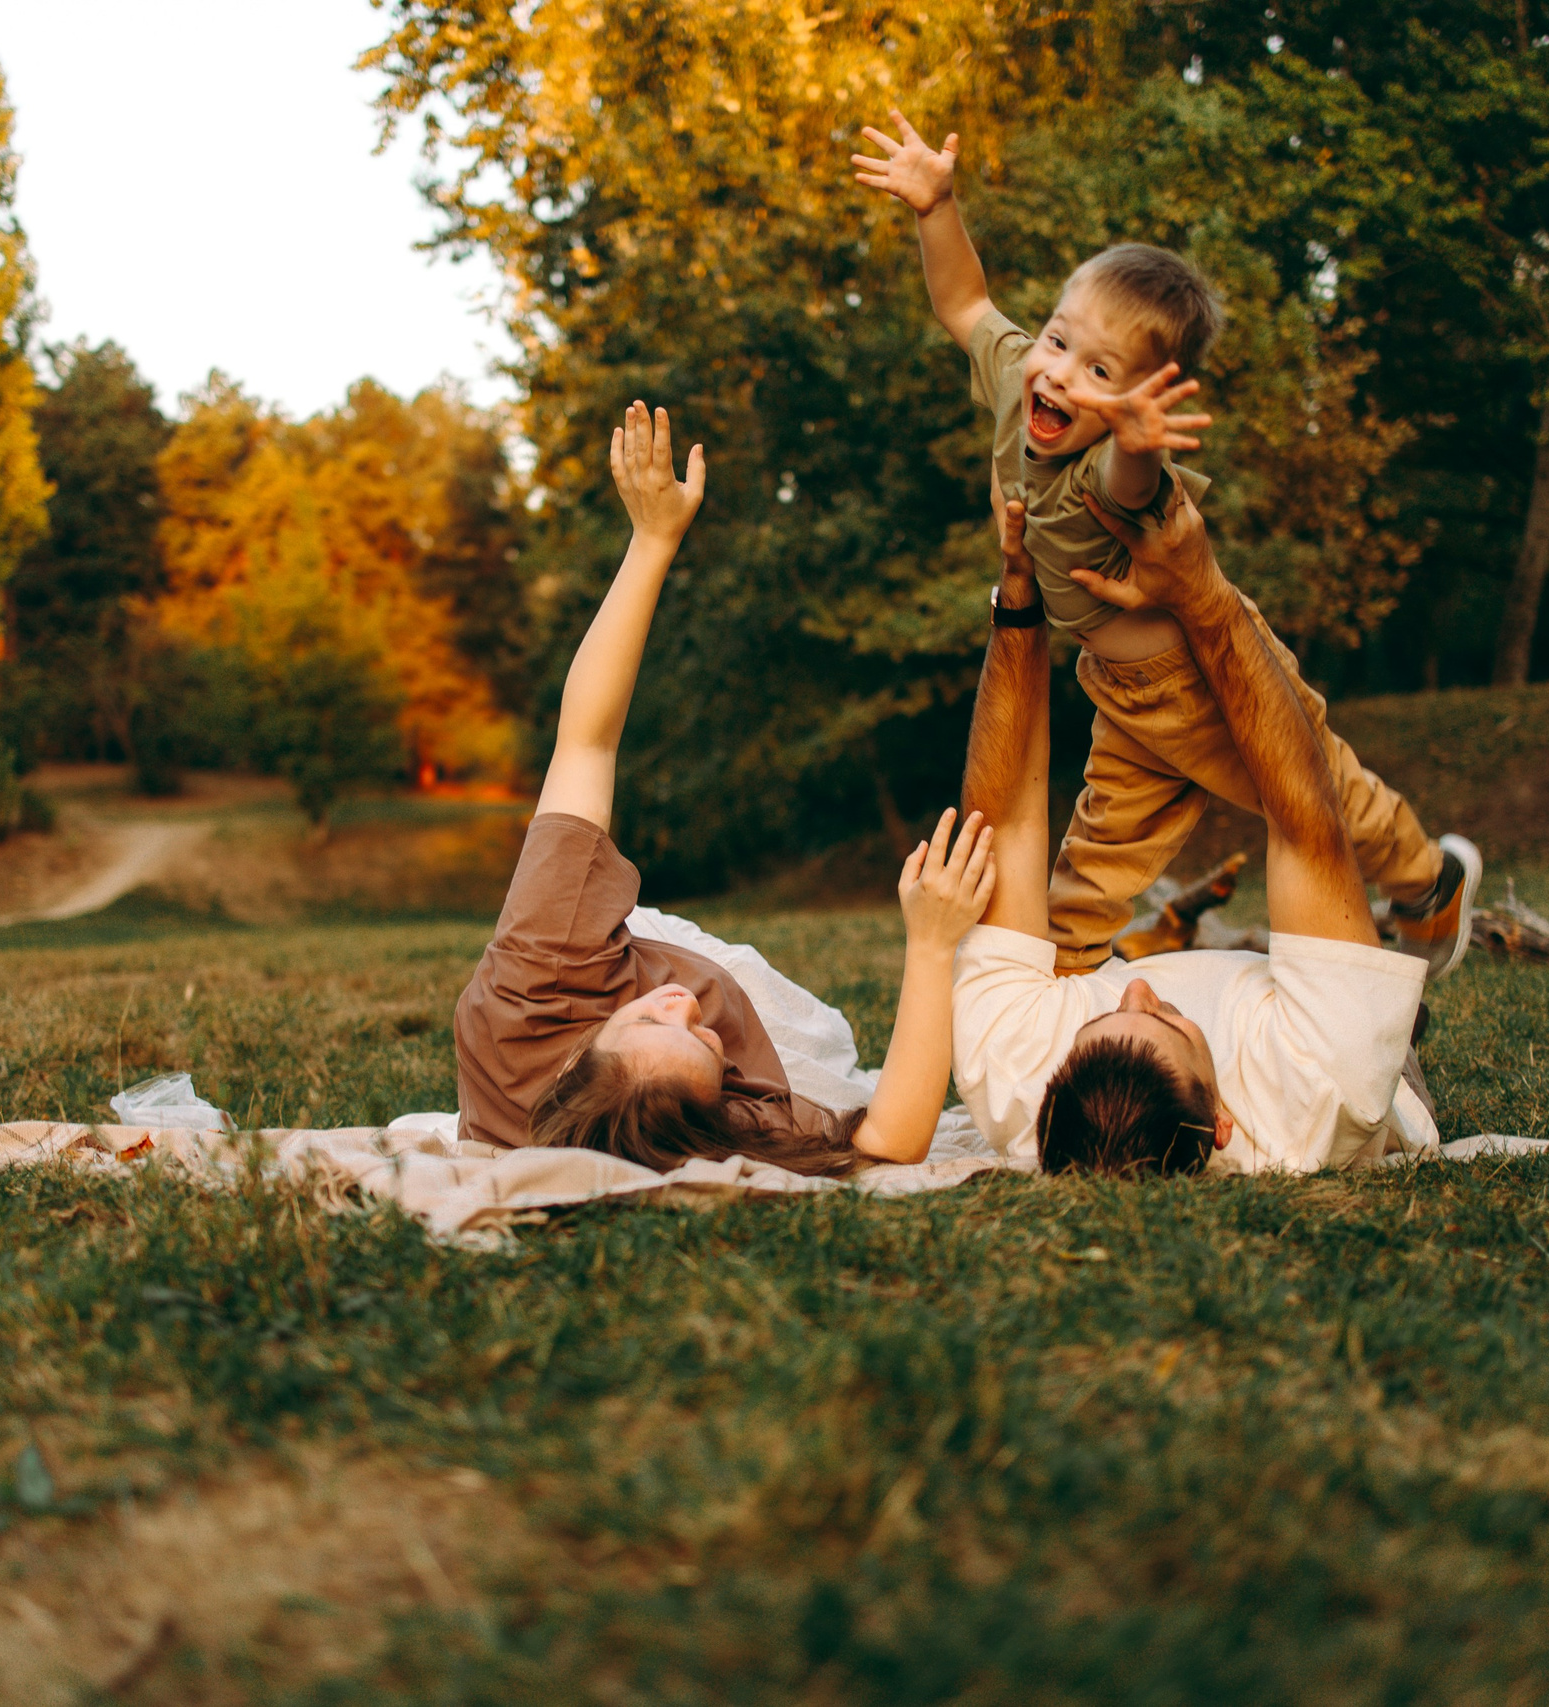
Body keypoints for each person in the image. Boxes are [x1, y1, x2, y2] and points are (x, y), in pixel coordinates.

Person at [851, 111, 1481, 978]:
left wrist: (1138, 437)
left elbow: (1130, 483)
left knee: (1315, 798)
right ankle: (1062, 985)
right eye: (1061, 340)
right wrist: (935, 209)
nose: (1061, 372)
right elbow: (965, 300)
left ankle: (1429, 881)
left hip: (1211, 678)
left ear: (1140, 402)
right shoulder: (1020, 376)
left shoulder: (1108, 474)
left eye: (1100, 373)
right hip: (1126, 693)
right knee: (1099, 846)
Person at [453, 401, 997, 1175]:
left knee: (767, 1012)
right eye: (700, 1039)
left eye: (657, 1024)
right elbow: (891, 1142)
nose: (689, 1011)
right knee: (825, 1063)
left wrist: (651, 541)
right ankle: (764, 1057)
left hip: (616, 964)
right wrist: (933, 943)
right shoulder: (717, 1102)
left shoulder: (540, 974)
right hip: (732, 1072)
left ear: (582, 1054)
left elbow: (586, 740)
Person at [951, 481, 1463, 1176]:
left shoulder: (1012, 1073)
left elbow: (1005, 820)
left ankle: (1144, 672)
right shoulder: (1319, 1084)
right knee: (1248, 716)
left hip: (1194, 991)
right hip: (1335, 1032)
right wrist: (1202, 592)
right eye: (1166, 1018)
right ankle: (1419, 936)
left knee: (1066, 931)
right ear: (1222, 1123)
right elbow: (1302, 809)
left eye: (1104, 1019)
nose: (1138, 990)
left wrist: (1019, 590)